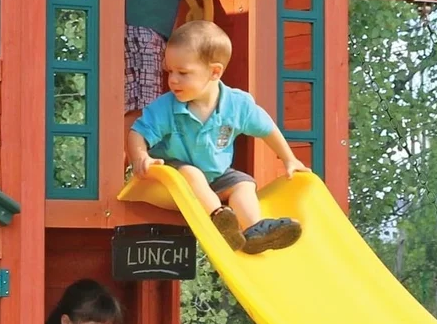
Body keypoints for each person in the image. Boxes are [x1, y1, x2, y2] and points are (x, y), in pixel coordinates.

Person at [127, 19, 305, 253]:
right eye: (170, 71)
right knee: (191, 173)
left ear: (214, 72)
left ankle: (254, 231)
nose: (172, 80)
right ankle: (218, 219)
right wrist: (141, 157)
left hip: (216, 175)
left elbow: (267, 128)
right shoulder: (167, 107)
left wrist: (289, 158)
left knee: (243, 184)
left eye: (183, 73)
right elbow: (137, 132)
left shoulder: (237, 105)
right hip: (173, 177)